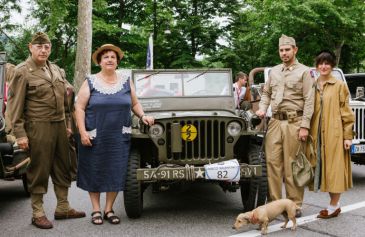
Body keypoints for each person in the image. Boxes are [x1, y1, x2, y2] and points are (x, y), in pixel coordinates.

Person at [7, 32, 85, 229]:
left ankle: (63, 207)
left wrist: (68, 124)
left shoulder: (56, 69)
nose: (43, 50)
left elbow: (66, 100)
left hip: (59, 126)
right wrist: (20, 134)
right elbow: (14, 106)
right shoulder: (22, 71)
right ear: (30, 48)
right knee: (39, 169)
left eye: (47, 46)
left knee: (63, 166)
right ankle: (38, 213)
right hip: (37, 126)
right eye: (39, 46)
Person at [75, 44, 154, 225]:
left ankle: (108, 209)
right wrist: (82, 132)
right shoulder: (90, 81)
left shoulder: (126, 81)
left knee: (116, 171)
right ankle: (95, 209)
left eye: (113, 57)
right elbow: (79, 108)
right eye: (106, 57)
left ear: (117, 62)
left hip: (119, 136)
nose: (110, 60)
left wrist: (143, 116)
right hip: (94, 135)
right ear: (100, 62)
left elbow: (135, 103)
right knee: (94, 171)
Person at [256, 34, 315, 217]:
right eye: (281, 50)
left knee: (292, 165)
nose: (284, 53)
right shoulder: (273, 71)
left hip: (294, 122)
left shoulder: (305, 72)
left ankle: (294, 205)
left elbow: (309, 100)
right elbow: (266, 93)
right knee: (272, 163)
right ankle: (275, 204)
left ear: (295, 50)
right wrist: (262, 108)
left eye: (287, 50)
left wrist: (305, 126)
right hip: (274, 122)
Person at [309, 50, 355, 219]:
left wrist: (348, 136)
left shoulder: (339, 86)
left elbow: (346, 112)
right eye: (321, 63)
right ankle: (334, 204)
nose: (323, 66)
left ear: (332, 66)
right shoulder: (312, 85)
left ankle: (333, 206)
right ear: (316, 66)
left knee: (334, 170)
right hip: (316, 134)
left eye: (327, 63)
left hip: (334, 135)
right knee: (323, 171)